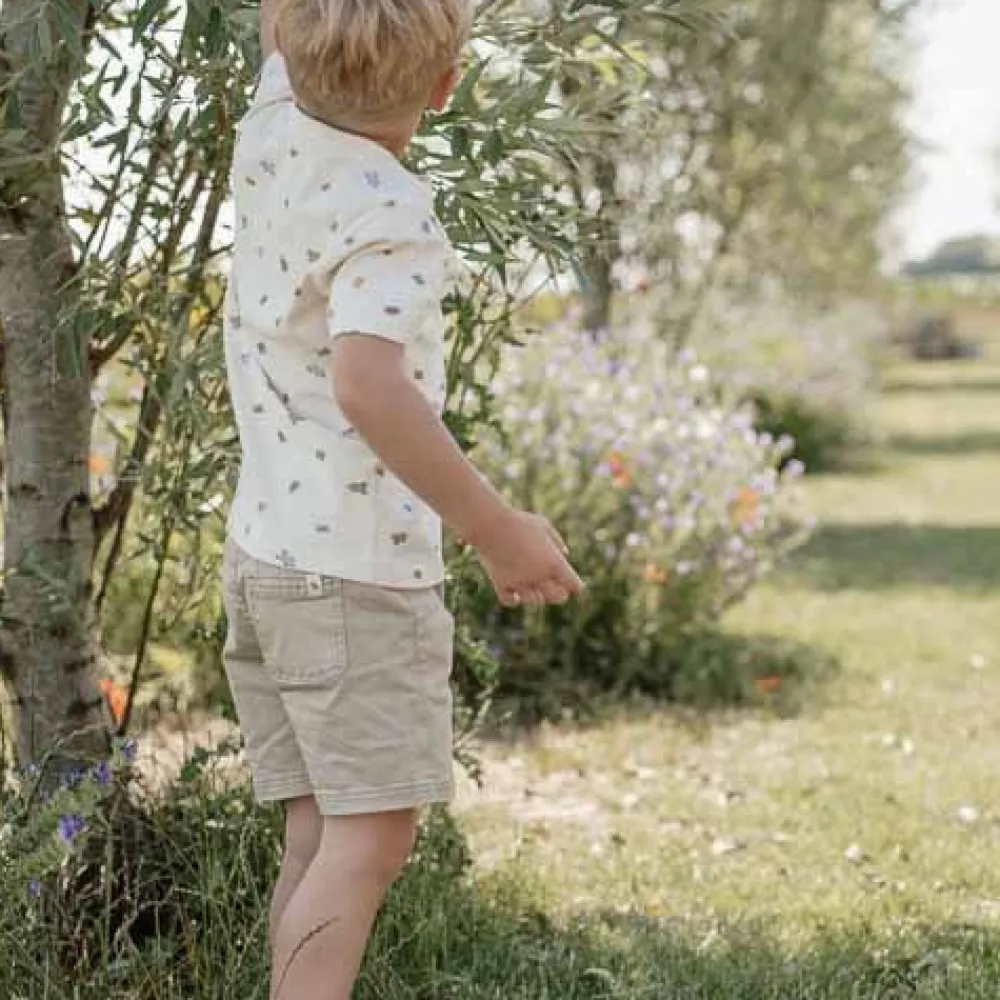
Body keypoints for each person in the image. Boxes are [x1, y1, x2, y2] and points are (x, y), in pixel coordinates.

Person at [220, 0, 584, 995]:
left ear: (288, 48)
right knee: (371, 837)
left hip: (265, 559)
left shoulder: (271, 123)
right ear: (444, 87)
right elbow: (368, 385)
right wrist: (497, 530)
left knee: (322, 827)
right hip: (354, 578)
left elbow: (275, 27)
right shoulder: (390, 213)